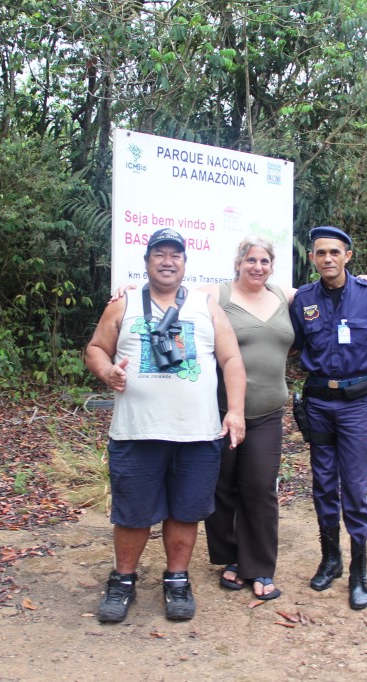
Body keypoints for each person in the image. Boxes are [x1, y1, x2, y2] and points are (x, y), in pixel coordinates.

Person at [84, 227, 246, 623]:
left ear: (185, 263)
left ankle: (177, 579)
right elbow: (95, 349)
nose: (168, 260)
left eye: (175, 254)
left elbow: (231, 361)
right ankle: (123, 581)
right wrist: (107, 372)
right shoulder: (123, 306)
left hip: (197, 433)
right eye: (160, 253)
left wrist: (235, 411)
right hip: (136, 431)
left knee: (186, 511)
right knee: (133, 513)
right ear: (147, 261)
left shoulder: (206, 306)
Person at [289, 226, 367, 610]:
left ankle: (359, 571)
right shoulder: (303, 298)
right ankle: (331, 559)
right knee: (322, 484)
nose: (327, 259)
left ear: (348, 256)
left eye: (335, 252)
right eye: (320, 253)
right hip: (319, 403)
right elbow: (291, 341)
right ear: (312, 258)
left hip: (355, 406)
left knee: (354, 487)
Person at [201, 236, 297, 601]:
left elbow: (327, 288)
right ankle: (231, 557)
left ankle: (259, 566)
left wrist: (365, 283)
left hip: (268, 413)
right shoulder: (217, 295)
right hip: (223, 411)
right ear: (238, 262)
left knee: (259, 488)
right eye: (251, 260)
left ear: (271, 266)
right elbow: (170, 291)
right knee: (222, 486)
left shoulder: (284, 297)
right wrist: (129, 289)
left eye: (264, 261)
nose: (258, 267)